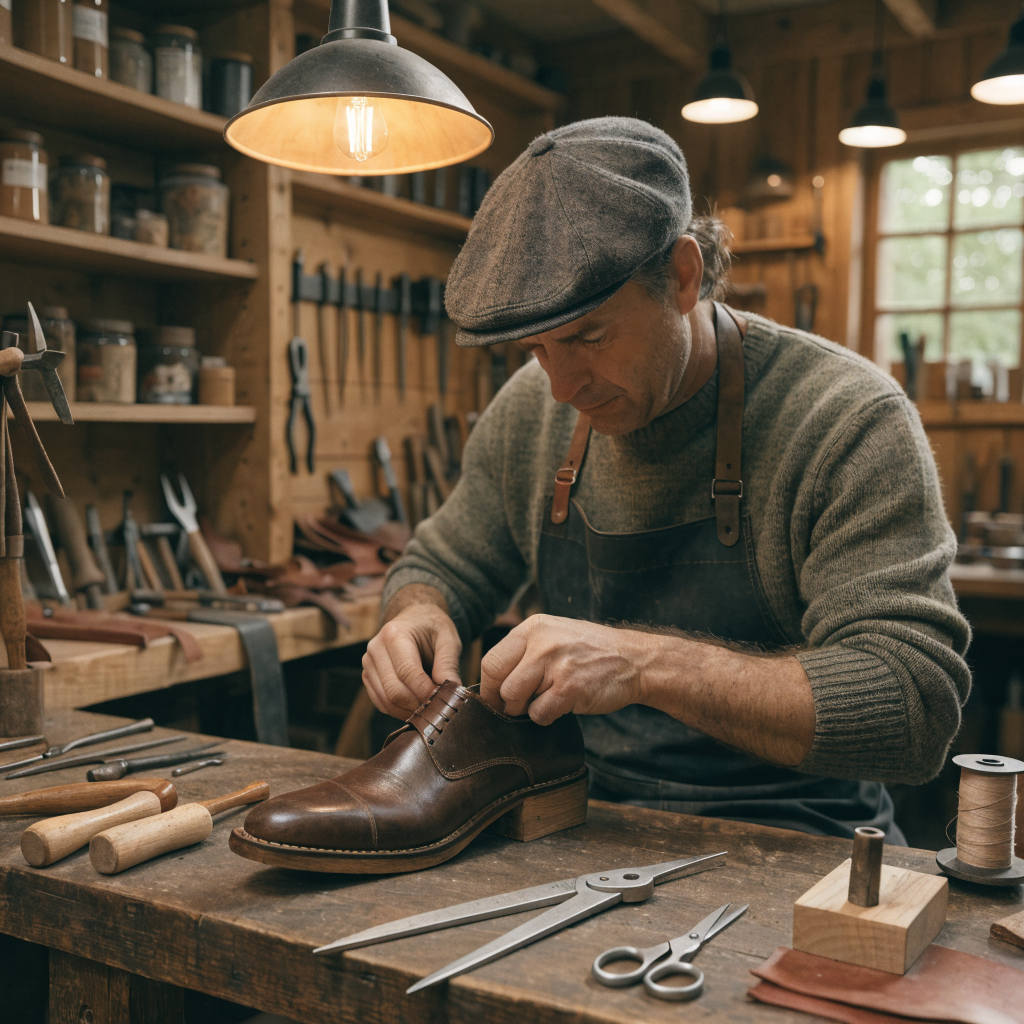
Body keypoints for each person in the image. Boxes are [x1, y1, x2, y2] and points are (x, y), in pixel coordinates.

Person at [361, 117, 970, 842]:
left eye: (589, 338)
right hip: (588, 823)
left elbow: (913, 707)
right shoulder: (532, 409)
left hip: (809, 839)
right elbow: (440, 564)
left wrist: (646, 664)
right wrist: (416, 614)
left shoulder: (845, 419)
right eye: (536, 349)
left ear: (682, 276)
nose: (561, 386)